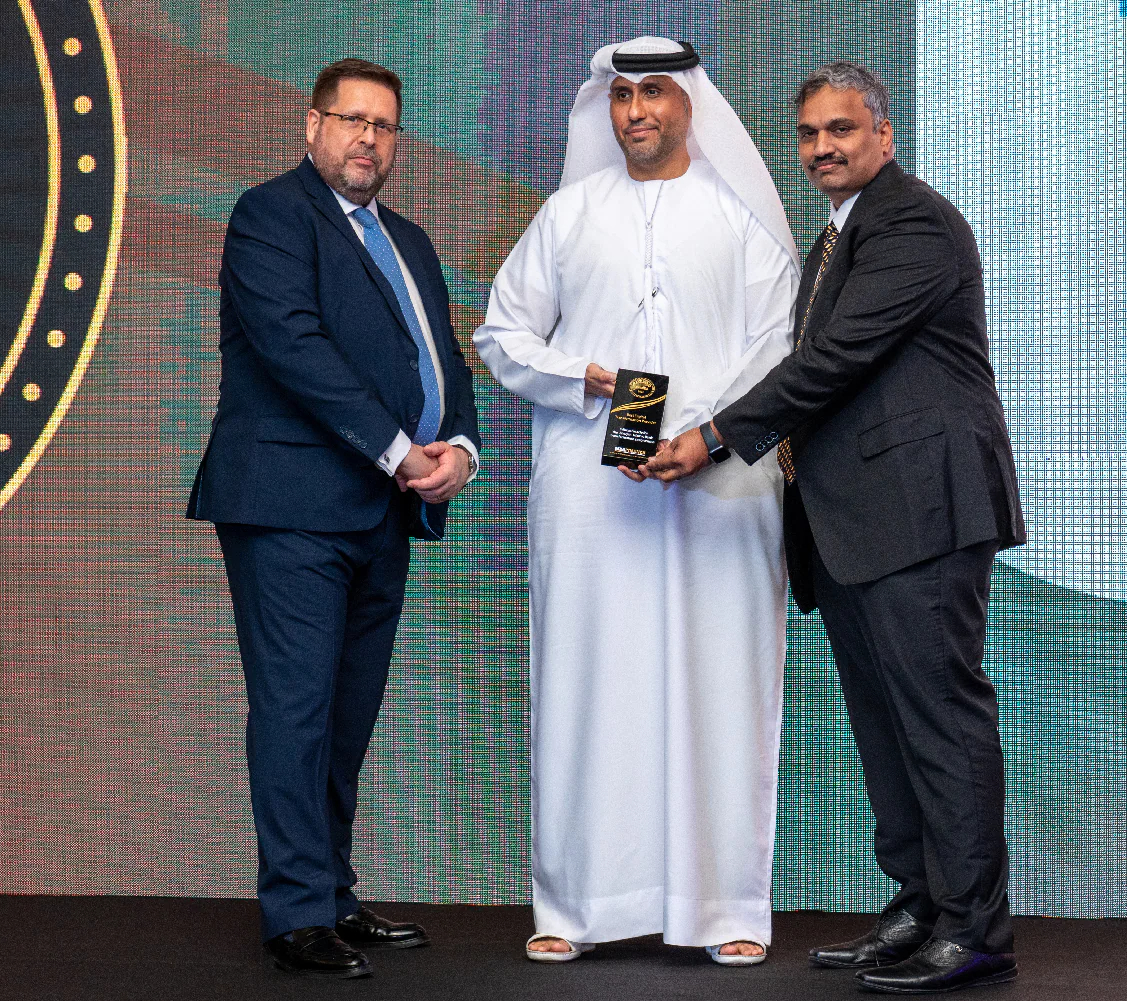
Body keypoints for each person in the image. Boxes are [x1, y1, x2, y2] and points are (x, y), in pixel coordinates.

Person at [645, 61, 1026, 994]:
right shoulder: (836, 235)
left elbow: (838, 359)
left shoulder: (913, 223)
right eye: (810, 133)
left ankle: (973, 928)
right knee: (886, 725)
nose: (823, 147)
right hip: (857, 517)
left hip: (921, 511)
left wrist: (714, 436)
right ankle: (920, 904)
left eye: (842, 130)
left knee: (937, 719)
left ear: (883, 135)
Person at [472, 37, 799, 966]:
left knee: (722, 685)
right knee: (588, 682)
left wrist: (700, 431)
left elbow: (777, 348)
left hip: (722, 484)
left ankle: (725, 907)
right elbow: (501, 333)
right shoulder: (569, 214)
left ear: (691, 102)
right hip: (591, 490)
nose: (636, 111)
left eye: (654, 91)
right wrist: (587, 374)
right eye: (620, 96)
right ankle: (576, 904)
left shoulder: (740, 220)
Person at [186, 58, 481, 978]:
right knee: (297, 709)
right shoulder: (269, 215)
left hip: (381, 512)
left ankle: (333, 893)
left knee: (347, 716)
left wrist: (459, 448)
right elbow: (294, 347)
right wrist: (401, 452)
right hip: (290, 505)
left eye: (383, 125)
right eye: (351, 120)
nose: (368, 138)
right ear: (311, 127)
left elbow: (445, 362)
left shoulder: (411, 241)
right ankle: (296, 911)